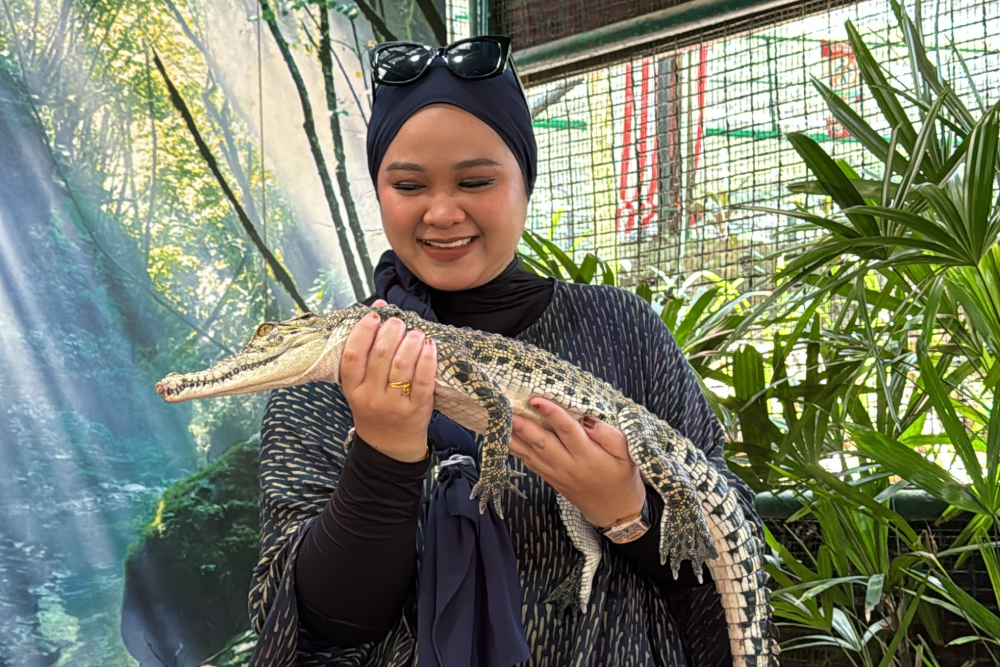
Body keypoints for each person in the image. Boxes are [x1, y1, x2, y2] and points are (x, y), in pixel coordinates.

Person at [246, 35, 763, 667]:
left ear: (525, 180)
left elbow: (729, 546)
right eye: (408, 184)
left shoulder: (624, 328)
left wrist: (627, 514)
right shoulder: (330, 369)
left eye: (475, 180)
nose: (442, 212)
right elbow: (313, 625)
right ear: (379, 190)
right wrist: (382, 455)